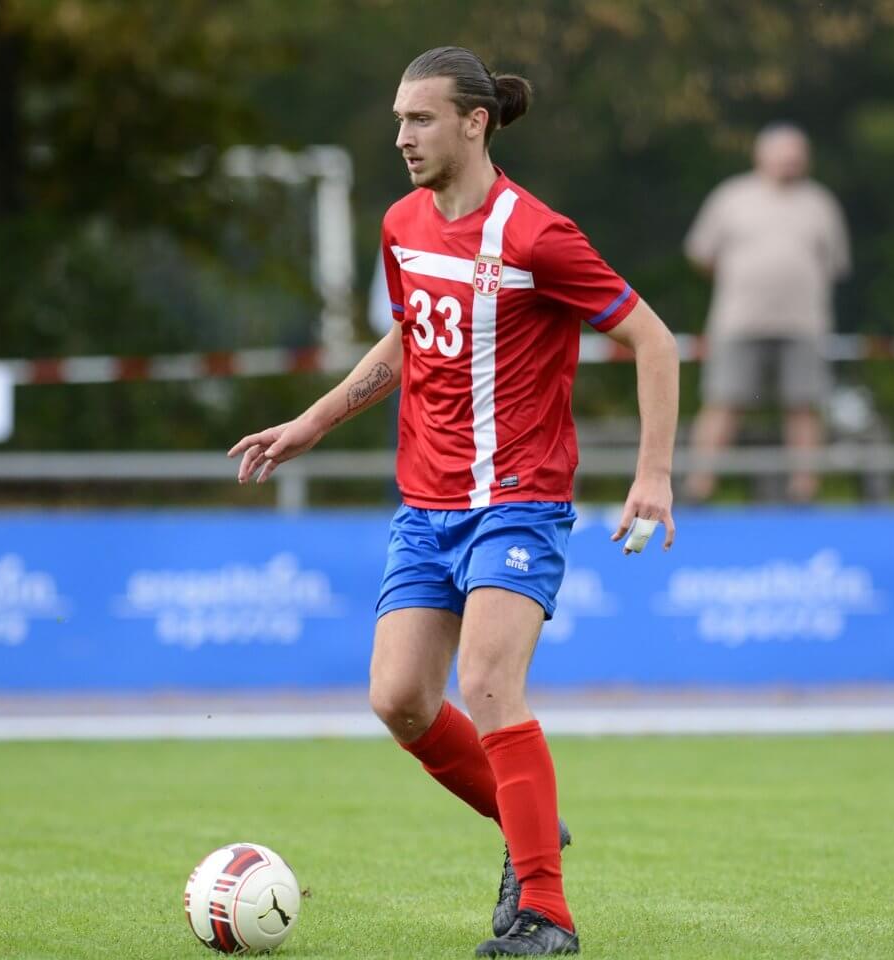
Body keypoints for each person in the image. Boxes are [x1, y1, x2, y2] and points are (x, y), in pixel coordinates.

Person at [229, 46, 678, 957]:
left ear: (475, 123)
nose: (402, 136)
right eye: (398, 119)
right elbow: (407, 339)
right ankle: (531, 831)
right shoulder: (401, 222)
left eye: (421, 118)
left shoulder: (537, 235)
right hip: (424, 506)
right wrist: (310, 423)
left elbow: (655, 340)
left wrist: (654, 473)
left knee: (487, 682)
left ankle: (545, 913)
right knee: (398, 698)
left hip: (519, 499)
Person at [683, 123, 851, 503]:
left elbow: (835, 264)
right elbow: (702, 255)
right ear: (761, 155)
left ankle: (804, 491)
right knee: (723, 400)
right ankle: (699, 488)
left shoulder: (821, 203)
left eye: (796, 153)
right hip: (738, 321)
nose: (789, 160)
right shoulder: (731, 197)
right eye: (782, 152)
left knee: (804, 405)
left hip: (804, 323)